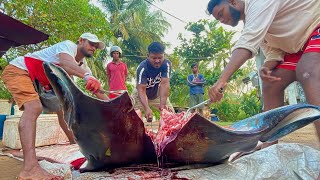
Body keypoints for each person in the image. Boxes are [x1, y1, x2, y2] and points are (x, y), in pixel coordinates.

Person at [206, 0, 320, 145]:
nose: (222, 20)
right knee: (270, 83)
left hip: (315, 26)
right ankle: (269, 147)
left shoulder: (258, 3)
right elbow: (273, 51)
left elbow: (248, 41)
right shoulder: (251, 20)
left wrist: (222, 80)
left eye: (221, 14)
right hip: (297, 47)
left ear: (232, 2)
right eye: (218, 19)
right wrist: (266, 66)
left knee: (307, 71)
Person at [1, 32, 107, 179]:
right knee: (34, 107)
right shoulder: (68, 46)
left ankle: (73, 143)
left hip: (38, 82)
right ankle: (30, 169)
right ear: (81, 41)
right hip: (19, 70)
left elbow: (98, 91)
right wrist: (87, 76)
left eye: (96, 46)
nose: (94, 48)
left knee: (64, 107)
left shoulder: (83, 66)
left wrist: (112, 106)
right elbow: (65, 63)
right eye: (91, 43)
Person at [133, 42, 174, 122]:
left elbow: (165, 84)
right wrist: (146, 108)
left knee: (171, 117)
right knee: (130, 118)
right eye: (154, 58)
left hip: (157, 94)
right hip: (140, 95)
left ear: (164, 55)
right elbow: (141, 90)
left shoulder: (167, 65)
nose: (157, 61)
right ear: (148, 56)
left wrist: (162, 105)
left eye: (160, 57)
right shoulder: (142, 68)